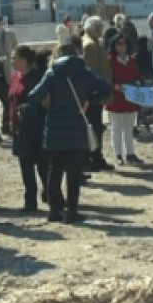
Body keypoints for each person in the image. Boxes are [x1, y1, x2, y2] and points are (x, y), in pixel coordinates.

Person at [30, 54, 110, 223]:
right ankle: (72, 211)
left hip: (55, 128)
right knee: (74, 173)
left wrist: (49, 104)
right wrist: (89, 99)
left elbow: (34, 95)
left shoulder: (52, 74)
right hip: (76, 128)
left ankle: (54, 210)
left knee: (54, 171)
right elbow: (105, 89)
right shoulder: (85, 73)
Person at [9, 46, 48, 211]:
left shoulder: (37, 77)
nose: (12, 61)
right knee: (25, 165)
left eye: (15, 58)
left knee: (43, 165)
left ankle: (51, 194)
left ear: (24, 60)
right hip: (20, 128)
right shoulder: (15, 77)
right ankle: (30, 200)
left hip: (36, 127)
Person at [81, 16, 115, 171]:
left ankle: (94, 156)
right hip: (94, 93)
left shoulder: (93, 43)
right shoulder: (90, 46)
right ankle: (94, 157)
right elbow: (91, 70)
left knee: (95, 126)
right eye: (98, 27)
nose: (101, 30)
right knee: (94, 126)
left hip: (95, 91)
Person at [106, 34, 142, 165]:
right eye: (119, 44)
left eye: (124, 44)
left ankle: (130, 152)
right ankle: (118, 153)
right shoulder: (110, 60)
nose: (122, 46)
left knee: (129, 127)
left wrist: (138, 83)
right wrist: (117, 87)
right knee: (116, 127)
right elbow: (107, 78)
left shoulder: (131, 60)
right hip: (117, 98)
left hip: (131, 97)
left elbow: (137, 75)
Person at [0, 16, 18, 135]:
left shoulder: (10, 34)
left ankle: (7, 125)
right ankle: (4, 125)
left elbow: (16, 49)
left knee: (9, 100)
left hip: (9, 70)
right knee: (5, 101)